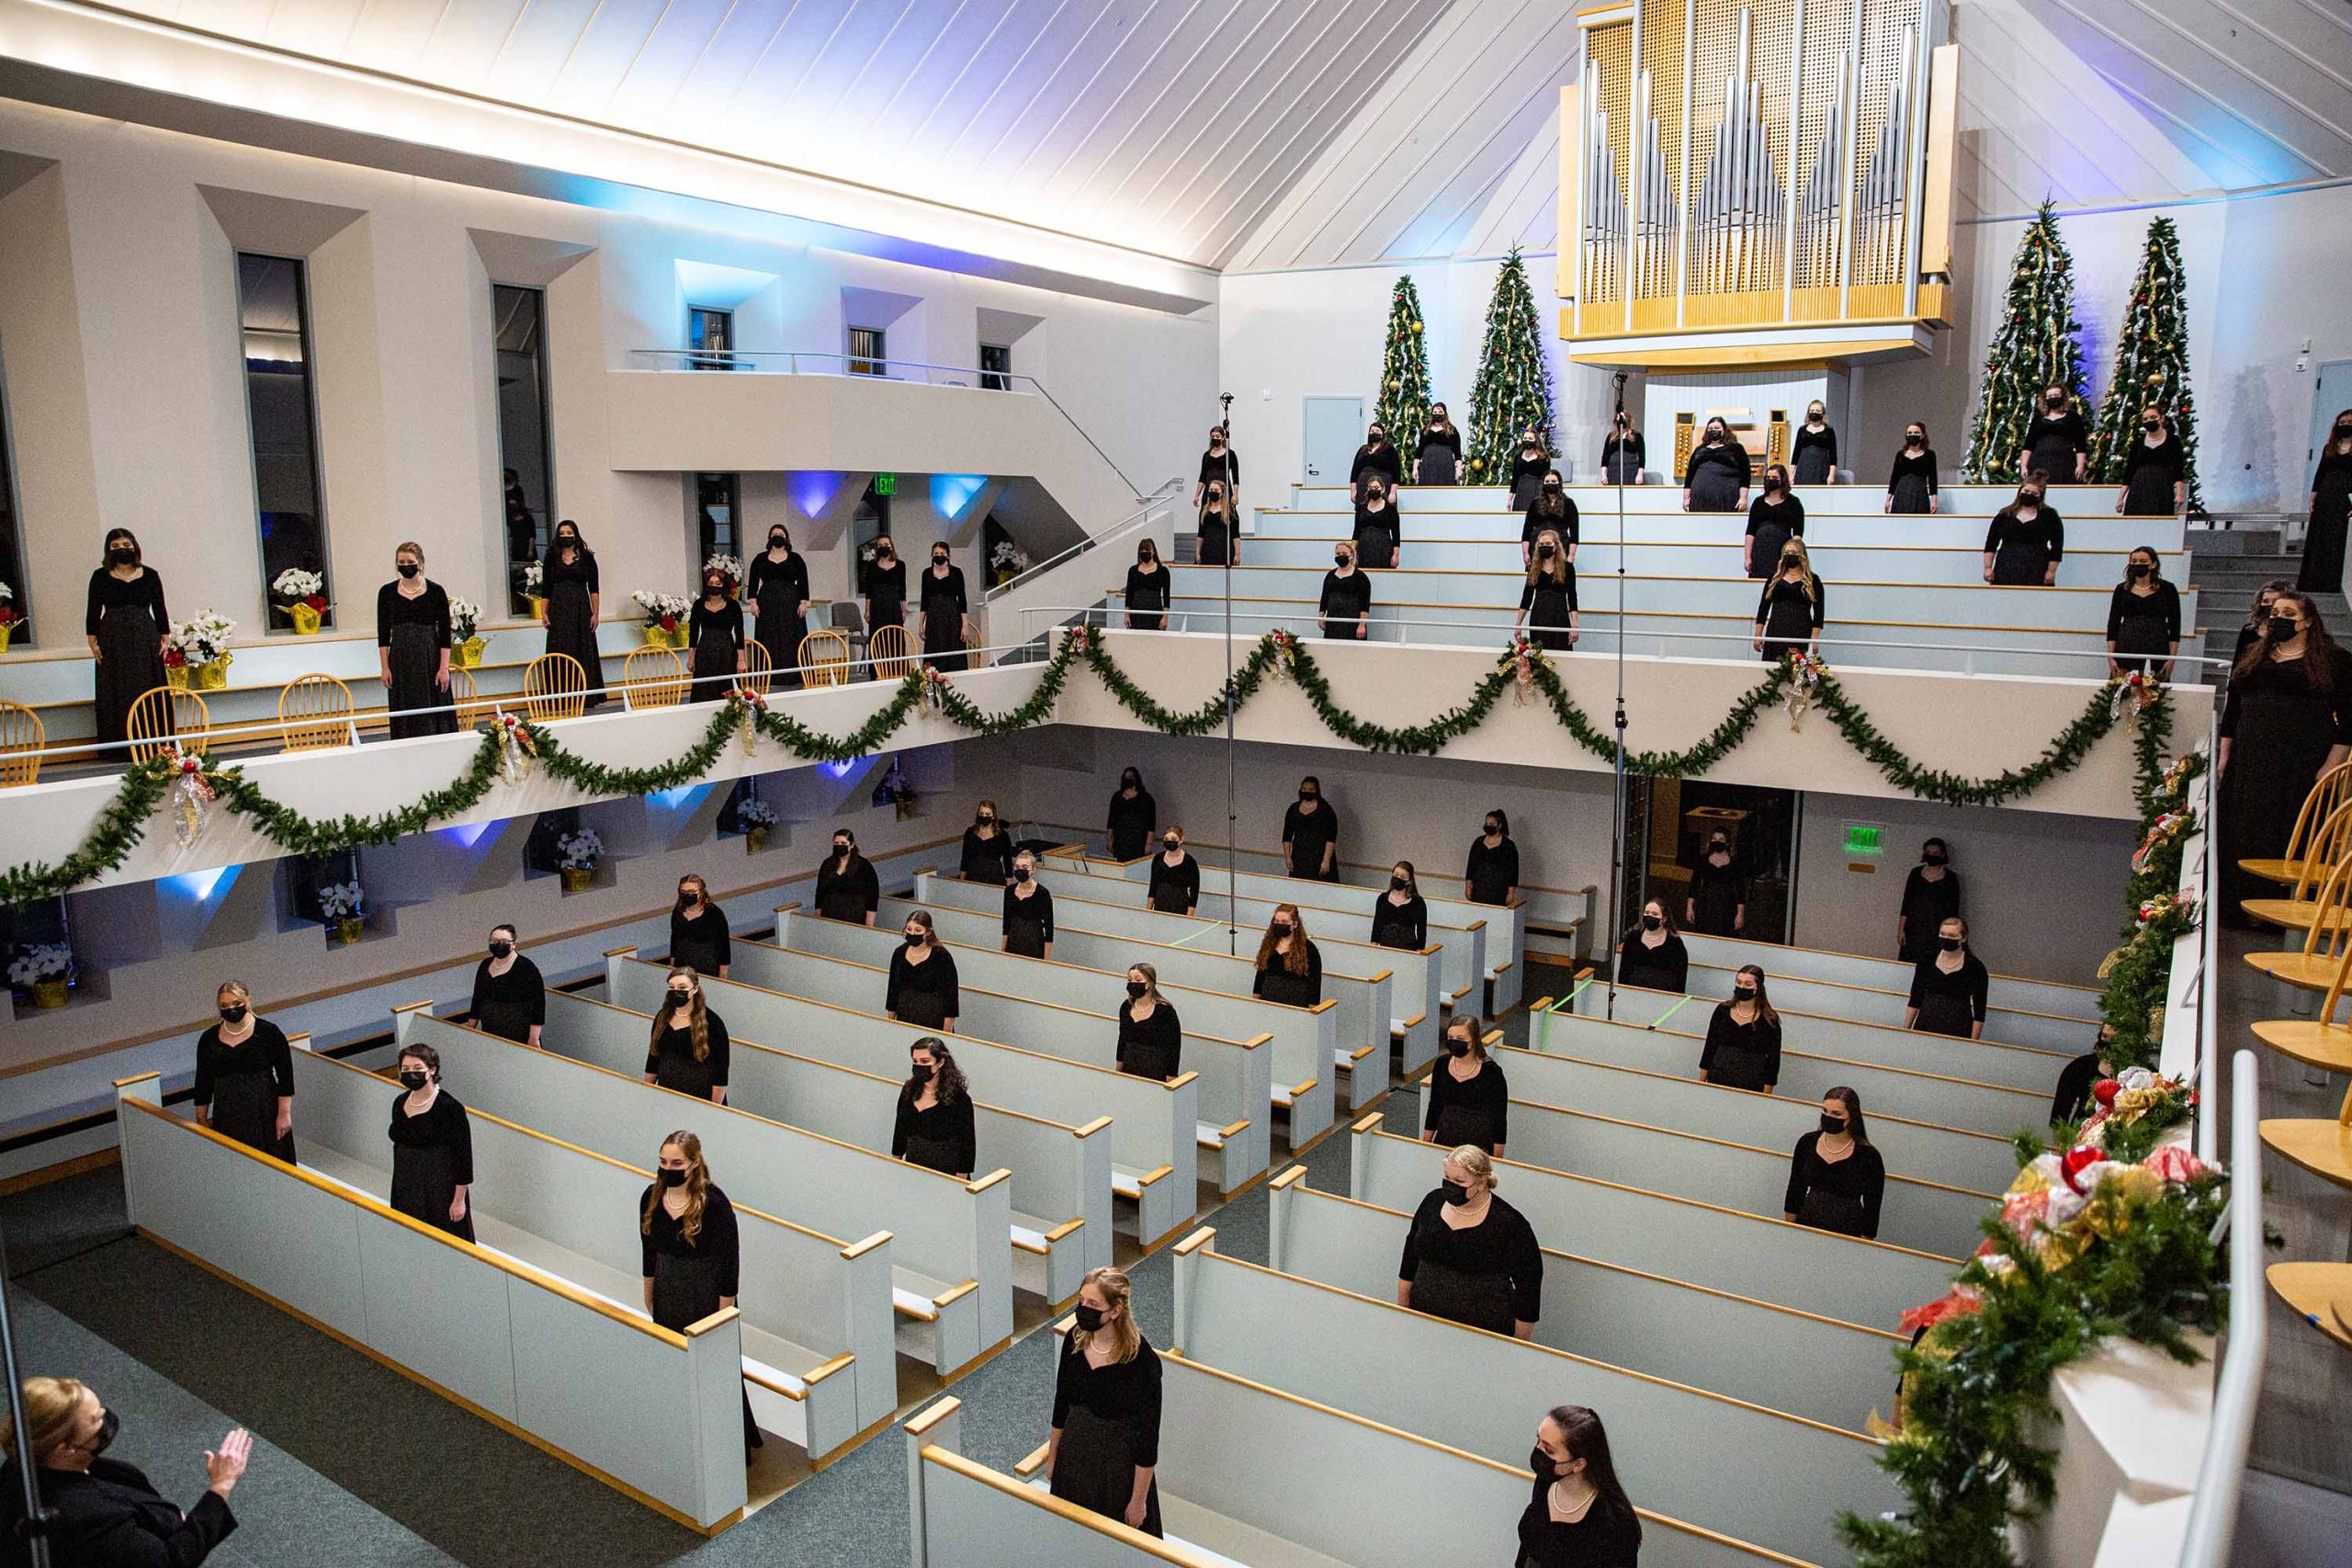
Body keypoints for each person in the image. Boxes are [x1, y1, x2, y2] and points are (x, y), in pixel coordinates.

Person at [0, 1376, 252, 1567]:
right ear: (66, 1449)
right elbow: (170, 1560)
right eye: (96, 1420)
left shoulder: (22, 1460)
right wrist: (222, 1485)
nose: (105, 1418)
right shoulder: (89, 1519)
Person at [2216, 589, 2352, 926]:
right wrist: (2224, 756)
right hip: (2250, 759)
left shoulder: (2335, 660)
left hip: (2301, 762)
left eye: (2289, 614)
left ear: (2307, 622)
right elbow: (2233, 710)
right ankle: (2238, 909)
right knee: (2245, 829)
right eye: (2275, 612)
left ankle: (2283, 915)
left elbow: (2349, 721)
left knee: (2290, 831)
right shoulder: (2253, 655)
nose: (2279, 619)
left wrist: (2331, 765)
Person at [639, 1132, 759, 1455]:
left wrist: (724, 1312)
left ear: (693, 1163)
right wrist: (649, 1291)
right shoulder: (651, 1196)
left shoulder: (715, 1203)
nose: (668, 1168)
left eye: (676, 1163)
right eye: (663, 1162)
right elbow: (649, 1250)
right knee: (675, 1362)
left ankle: (728, 1442)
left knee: (715, 1370)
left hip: (705, 1292)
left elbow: (730, 1261)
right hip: (669, 1288)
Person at [1046, 1267, 1162, 1536]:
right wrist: (1053, 1457)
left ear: (1115, 1311)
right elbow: (1061, 1403)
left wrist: (1138, 1499)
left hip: (1116, 1467)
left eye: (1093, 1304)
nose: (1083, 1309)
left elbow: (1148, 1437)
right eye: (1081, 1301)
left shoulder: (1142, 1361)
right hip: (1075, 1457)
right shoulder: (1074, 1340)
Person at [1396, 1145, 1542, 1337]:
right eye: (1446, 1178)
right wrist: (1402, 1308)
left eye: (1459, 1181)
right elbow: (1410, 1257)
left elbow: (1528, 1287)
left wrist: (1520, 1345)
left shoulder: (1510, 1224)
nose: (1450, 1185)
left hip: (1483, 1330)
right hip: (1425, 1319)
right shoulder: (1432, 1202)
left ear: (1481, 1183)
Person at [1519, 1405, 1643, 1568]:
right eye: (1538, 1441)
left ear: (1578, 1464)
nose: (1538, 1452)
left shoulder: (1616, 1523)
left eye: (1549, 1450)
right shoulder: (1546, 1481)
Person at [84, 527, 169, 752]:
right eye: (115, 546)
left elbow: (160, 607)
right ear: (108, 550)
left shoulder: (150, 575)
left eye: (126, 545)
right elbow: (93, 610)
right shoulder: (100, 576)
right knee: (116, 686)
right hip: (112, 637)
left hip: (145, 636)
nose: (122, 549)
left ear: (134, 546)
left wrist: (165, 636)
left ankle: (155, 745)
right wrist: (92, 641)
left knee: (147, 684)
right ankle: (118, 747)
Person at [191, 983, 294, 1162]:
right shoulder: (208, 1039)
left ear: (248, 1000)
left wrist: (284, 1114)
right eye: (224, 1006)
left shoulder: (268, 1032)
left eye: (236, 1003)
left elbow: (285, 1076)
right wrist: (201, 1118)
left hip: (265, 1111)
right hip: (227, 1112)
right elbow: (203, 1081)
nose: (231, 1009)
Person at [388, 1043, 474, 1241]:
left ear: (432, 1069)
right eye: (405, 1070)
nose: (411, 1074)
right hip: (406, 1184)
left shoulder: (451, 1108)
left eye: (417, 1069)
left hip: (439, 1188)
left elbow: (464, 1159)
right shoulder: (400, 1102)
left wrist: (459, 1201)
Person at [1782, 1087, 1884, 1238]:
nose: (1828, 1117)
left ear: (1852, 1117)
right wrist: (1789, 1231)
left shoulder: (1869, 1156)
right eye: (1825, 1111)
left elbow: (1872, 1208)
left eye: (1836, 1114)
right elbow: (1795, 1189)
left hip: (1848, 1231)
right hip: (1807, 1223)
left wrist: (1865, 1244)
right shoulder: (1807, 1142)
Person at [377, 541, 454, 739]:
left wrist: (444, 668)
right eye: (401, 562)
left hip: (430, 657)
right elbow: (383, 634)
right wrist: (385, 667)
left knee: (433, 711)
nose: (405, 565)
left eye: (410, 561)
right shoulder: (386, 592)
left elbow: (445, 634)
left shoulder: (436, 591)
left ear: (421, 563)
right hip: (400, 658)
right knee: (404, 711)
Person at [541, 520, 605, 709]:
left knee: (582, 648)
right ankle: (559, 698)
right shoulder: (551, 557)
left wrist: (596, 614)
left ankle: (587, 697)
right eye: (562, 532)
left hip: (581, 609)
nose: (566, 535)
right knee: (560, 650)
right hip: (558, 610)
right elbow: (545, 588)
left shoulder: (587, 557)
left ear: (575, 534)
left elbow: (594, 588)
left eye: (569, 532)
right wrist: (543, 612)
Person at [1422, 1014, 1508, 1155]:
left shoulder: (1491, 1072)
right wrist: (1425, 1144)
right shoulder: (1442, 1064)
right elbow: (1435, 1106)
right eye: (1451, 1038)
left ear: (1473, 1040)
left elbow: (1499, 1117)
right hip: (1445, 1138)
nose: (1454, 1043)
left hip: (1478, 1145)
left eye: (1460, 1039)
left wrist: (1498, 1158)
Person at [644, 967, 730, 1103]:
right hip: (668, 1093)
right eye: (672, 987)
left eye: (682, 987)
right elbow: (653, 1058)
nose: (676, 992)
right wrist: (645, 1093)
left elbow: (720, 1072)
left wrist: (715, 1110)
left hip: (700, 1096)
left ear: (695, 989)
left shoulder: (713, 1023)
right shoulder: (662, 1016)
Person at [892, 1037, 976, 1178]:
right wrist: (895, 1167)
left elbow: (967, 1147)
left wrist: (958, 1185)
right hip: (913, 1170)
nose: (918, 1066)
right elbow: (900, 1131)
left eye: (925, 1062)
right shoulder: (909, 1090)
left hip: (945, 1173)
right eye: (915, 1061)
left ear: (940, 1062)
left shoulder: (959, 1099)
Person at [743, 524, 810, 689]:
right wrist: (753, 602)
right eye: (775, 534)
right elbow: (752, 582)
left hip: (791, 603)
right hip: (767, 604)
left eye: (781, 534)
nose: (778, 536)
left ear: (786, 538)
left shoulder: (796, 558)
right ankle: (768, 677)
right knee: (768, 637)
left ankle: (794, 676)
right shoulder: (760, 558)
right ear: (770, 538)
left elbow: (803, 581)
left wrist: (803, 602)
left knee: (791, 637)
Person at [1698, 964, 1781, 1092]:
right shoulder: (1722, 1011)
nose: (1742, 987)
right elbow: (1710, 1047)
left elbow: (1772, 1064)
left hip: (1751, 1086)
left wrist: (1766, 1097)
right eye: (1739, 982)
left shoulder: (1770, 1021)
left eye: (1748, 984)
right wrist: (1701, 1084)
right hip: (1718, 1080)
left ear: (1758, 988)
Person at [1905, 917, 1988, 1039]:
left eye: (1952, 936)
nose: (1946, 939)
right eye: (1943, 934)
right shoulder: (1927, 960)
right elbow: (1915, 999)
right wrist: (1905, 1030)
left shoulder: (1976, 967)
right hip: (1926, 1023)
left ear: (1963, 938)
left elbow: (1979, 1011)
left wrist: (1973, 1043)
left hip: (1959, 1026)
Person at [2108, 546, 2182, 678]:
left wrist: (2171, 659)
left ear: (2153, 564)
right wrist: (2111, 657)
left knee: (2155, 690)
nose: (2137, 565)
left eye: (2143, 561)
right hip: (2127, 644)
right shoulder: (2121, 589)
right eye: (2134, 561)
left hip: (2158, 644)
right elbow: (2113, 625)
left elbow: (2175, 627)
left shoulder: (2168, 589)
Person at [2301, 409, 2352, 594]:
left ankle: (2334, 583)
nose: (2346, 425)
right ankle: (2314, 582)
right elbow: (2321, 472)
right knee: (2320, 538)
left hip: (2346, 496)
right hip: (2326, 496)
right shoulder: (2328, 447)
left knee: (2337, 538)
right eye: (2343, 422)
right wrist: (2314, 494)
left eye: (2350, 422)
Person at [469, 923, 545, 1045]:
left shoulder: (526, 967)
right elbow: (477, 998)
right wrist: (470, 1028)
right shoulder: (485, 964)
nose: (498, 944)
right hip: (490, 1031)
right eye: (494, 941)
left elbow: (538, 1005)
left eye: (503, 941)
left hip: (518, 1032)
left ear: (514, 944)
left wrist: (534, 1038)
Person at [1982, 475, 2064, 586]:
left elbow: (2057, 546)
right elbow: (1991, 543)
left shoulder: (2050, 515)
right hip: (2006, 567)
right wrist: (1988, 568)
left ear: (2040, 496)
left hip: (2037, 568)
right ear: (2020, 490)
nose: (2028, 495)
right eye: (2026, 491)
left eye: (2034, 494)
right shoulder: (2004, 514)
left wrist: (2051, 571)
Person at [1753, 536, 1825, 663]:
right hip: (1776, 629)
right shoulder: (1774, 579)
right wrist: (1758, 636)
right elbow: (1763, 609)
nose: (1789, 555)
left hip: (1800, 631)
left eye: (1793, 553)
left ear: (1802, 556)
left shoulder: (1813, 580)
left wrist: (1814, 640)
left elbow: (1819, 613)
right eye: (1786, 553)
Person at [888, 911, 960, 1032]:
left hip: (933, 1024)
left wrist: (946, 1033)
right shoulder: (899, 953)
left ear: (928, 932)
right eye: (909, 929)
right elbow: (892, 991)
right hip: (905, 1020)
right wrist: (890, 1024)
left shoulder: (942, 956)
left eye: (917, 930)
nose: (912, 933)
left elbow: (951, 999)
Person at [1895, 839, 1962, 964]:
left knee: (1933, 964)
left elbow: (1953, 910)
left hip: (1937, 929)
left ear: (1942, 854)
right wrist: (1900, 930)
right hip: (1914, 928)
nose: (1931, 856)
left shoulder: (1951, 878)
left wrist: (1951, 936)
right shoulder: (1915, 874)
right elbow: (1906, 903)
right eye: (1928, 852)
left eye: (1935, 853)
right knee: (1908, 963)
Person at [687, 567, 747, 697]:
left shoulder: (733, 605)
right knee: (703, 691)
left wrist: (741, 659)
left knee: (727, 689)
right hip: (704, 652)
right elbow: (693, 633)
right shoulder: (698, 605)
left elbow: (739, 633)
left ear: (724, 585)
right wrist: (691, 658)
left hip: (727, 653)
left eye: (718, 584)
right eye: (711, 584)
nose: (714, 587)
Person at [1517, 527, 1578, 652]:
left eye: (1548, 544)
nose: (1545, 547)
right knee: (1539, 656)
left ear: (1556, 546)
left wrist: (1575, 624)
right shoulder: (1534, 568)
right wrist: (1518, 623)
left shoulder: (1568, 568)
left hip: (1560, 616)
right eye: (1541, 545)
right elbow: (1527, 598)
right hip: (1539, 617)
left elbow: (1572, 597)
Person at [2116, 407, 2186, 517]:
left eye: (2153, 417)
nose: (2149, 421)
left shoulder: (2173, 441)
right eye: (2145, 419)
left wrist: (2179, 494)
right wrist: (2120, 498)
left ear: (2162, 418)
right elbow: (2129, 471)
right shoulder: (2138, 442)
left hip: (2163, 488)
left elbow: (2178, 469)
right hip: (2138, 489)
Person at [1117, 964, 1182, 1081]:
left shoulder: (1165, 1011)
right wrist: (1118, 1070)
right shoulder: (1126, 1007)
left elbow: (1173, 1048)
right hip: (1130, 1068)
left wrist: (1171, 1078)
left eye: (1138, 980)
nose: (1132, 983)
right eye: (1129, 980)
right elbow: (1122, 1040)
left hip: (1155, 1071)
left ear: (1150, 983)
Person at [1251, 904, 1323, 1009]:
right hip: (1268, 1001)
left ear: (1295, 924)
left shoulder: (1309, 948)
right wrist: (1255, 999)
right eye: (1277, 922)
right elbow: (1261, 973)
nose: (1280, 925)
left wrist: (1313, 1009)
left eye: (1284, 922)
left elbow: (1315, 982)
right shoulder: (1269, 943)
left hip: (1296, 1003)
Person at [2018, 385, 2089, 483]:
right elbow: (2028, 445)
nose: (2053, 398)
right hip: (2039, 462)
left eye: (2056, 395)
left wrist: (2080, 466)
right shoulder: (2038, 419)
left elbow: (2080, 444)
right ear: (2045, 399)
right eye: (2050, 396)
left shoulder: (2073, 417)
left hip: (2065, 463)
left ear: (2063, 397)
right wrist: (2023, 466)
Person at [1744, 465, 1804, 579]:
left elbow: (1798, 534)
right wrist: (1748, 557)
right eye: (1768, 477)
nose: (1770, 480)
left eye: (1775, 478)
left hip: (1781, 550)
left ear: (1783, 480)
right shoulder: (1758, 502)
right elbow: (1750, 532)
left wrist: (1790, 556)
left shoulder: (1794, 502)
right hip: (1760, 550)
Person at [1615, 899, 1689, 993]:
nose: (1650, 917)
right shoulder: (1633, 938)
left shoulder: (1675, 943)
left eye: (1655, 914)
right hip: (1634, 993)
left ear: (1664, 919)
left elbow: (1680, 978)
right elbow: (1624, 970)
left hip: (1662, 996)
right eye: (1647, 913)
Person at [919, 544, 971, 671]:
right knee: (935, 649)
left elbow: (963, 600)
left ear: (948, 555)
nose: (939, 556)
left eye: (942, 553)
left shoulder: (957, 572)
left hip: (952, 617)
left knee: (954, 650)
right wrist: (921, 624)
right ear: (932, 556)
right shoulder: (926, 573)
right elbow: (924, 601)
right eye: (936, 553)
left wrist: (964, 625)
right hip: (934, 618)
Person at [1681, 417, 1749, 512]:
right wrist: (1686, 499)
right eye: (1711, 429)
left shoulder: (1736, 448)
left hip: (1727, 497)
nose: (1714, 431)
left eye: (1717, 428)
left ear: (1724, 430)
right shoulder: (1699, 450)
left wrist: (1743, 498)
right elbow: (1689, 477)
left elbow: (1745, 475)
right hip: (1699, 499)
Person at [670, 874, 731, 979]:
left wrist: (723, 977)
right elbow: (674, 942)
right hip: (682, 970)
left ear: (702, 892)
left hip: (707, 970)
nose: (687, 895)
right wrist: (671, 967)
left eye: (692, 892)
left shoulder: (715, 914)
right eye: (683, 892)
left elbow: (724, 948)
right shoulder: (677, 912)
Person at [2051, 1027, 2116, 1125]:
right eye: (2104, 1035)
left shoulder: (2136, 1073)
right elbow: (2060, 1112)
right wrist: (2063, 1139)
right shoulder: (2082, 1065)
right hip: (2082, 1131)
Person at [816, 829, 881, 924]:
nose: (839, 846)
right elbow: (820, 892)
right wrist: (818, 916)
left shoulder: (864, 865)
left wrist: (869, 921)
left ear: (851, 845)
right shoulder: (827, 864)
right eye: (836, 843)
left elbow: (873, 894)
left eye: (843, 843)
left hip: (854, 916)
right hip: (829, 914)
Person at [1685, 831, 1746, 935]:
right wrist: (1689, 907)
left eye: (1721, 839)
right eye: (1714, 838)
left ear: (1727, 843)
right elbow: (1694, 885)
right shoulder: (1703, 860)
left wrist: (1740, 914)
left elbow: (1741, 890)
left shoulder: (1735, 863)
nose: (1717, 841)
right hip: (1706, 903)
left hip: (1727, 905)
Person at [1282, 776, 1340, 880]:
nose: (1307, 792)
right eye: (1304, 789)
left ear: (1316, 790)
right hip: (1299, 856)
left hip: (1319, 857)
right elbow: (1287, 835)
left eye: (1311, 790)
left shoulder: (1326, 810)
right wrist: (1287, 857)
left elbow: (1331, 838)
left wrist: (1326, 860)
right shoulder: (1293, 809)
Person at [1002, 850, 1055, 960]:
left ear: (1033, 870)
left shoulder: (1042, 893)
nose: (1020, 870)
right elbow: (1006, 924)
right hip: (1013, 943)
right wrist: (1002, 951)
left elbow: (1049, 929)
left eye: (1025, 867)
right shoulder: (1009, 891)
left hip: (1034, 945)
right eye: (1017, 867)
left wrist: (1047, 959)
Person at [1521, 473, 1579, 567]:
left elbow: (1574, 533)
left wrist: (1571, 556)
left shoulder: (1569, 503)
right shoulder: (1535, 503)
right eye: (1547, 481)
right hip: (1537, 548)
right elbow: (1527, 530)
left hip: (1561, 547)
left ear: (1559, 483)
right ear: (1543, 484)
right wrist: (1525, 553)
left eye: (1553, 481)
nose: (1550, 483)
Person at [1465, 810, 1520, 908]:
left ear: (1499, 825)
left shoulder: (1508, 846)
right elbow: (1471, 867)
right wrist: (1468, 887)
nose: (1488, 826)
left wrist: (1510, 893)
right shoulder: (1478, 842)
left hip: (1498, 891)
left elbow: (1513, 872)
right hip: (1479, 889)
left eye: (1491, 824)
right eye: (1486, 823)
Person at [863, 536, 908, 653]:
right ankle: (878, 670)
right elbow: (869, 590)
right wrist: (867, 610)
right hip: (877, 604)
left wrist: (904, 609)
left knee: (895, 637)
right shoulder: (872, 565)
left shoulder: (900, 565)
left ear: (891, 546)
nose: (884, 547)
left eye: (886, 544)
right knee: (878, 638)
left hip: (893, 603)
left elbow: (902, 589)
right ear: (877, 548)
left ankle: (897, 669)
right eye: (880, 545)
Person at [1320, 540, 1373, 638]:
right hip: (1333, 620)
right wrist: (1321, 617)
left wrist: (1361, 625)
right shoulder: (1330, 575)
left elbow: (1365, 603)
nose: (1340, 556)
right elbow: (1324, 598)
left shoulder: (1360, 576)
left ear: (1352, 555)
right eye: (1338, 554)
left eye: (1344, 554)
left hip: (1352, 621)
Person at [1372, 862, 1428, 950]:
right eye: (1396, 875)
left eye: (1403, 877)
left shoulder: (1418, 902)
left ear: (1409, 880)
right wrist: (1373, 945)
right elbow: (1377, 925)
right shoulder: (1382, 898)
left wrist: (1420, 952)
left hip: (1408, 949)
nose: (1398, 878)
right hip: (1385, 948)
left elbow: (1421, 931)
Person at [2233, 580, 2292, 663]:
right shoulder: (2248, 630)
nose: (2270, 605)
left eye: (2275, 601)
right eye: (2265, 601)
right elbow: (2238, 661)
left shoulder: (2292, 632)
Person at [1884, 424, 1939, 514]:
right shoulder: (1900, 454)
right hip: (1901, 493)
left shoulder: (1930, 455)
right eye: (1909, 433)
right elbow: (1894, 478)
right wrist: (1888, 500)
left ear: (1923, 435)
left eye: (1916, 432)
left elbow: (1933, 479)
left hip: (1920, 492)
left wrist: (1934, 501)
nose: (1912, 435)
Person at [960, 800, 1016, 885]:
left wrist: (1009, 881)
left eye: (987, 814)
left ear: (993, 816)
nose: (984, 816)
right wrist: (962, 879)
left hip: (994, 876)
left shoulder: (1002, 835)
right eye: (981, 813)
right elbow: (965, 857)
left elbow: (1007, 860)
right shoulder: (970, 832)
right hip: (973, 875)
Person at [1105, 767, 1157, 860]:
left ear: (1136, 779)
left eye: (1131, 776)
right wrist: (1109, 840)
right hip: (1121, 840)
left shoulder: (1146, 798)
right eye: (1126, 776)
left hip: (1138, 840)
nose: (1128, 778)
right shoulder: (1117, 797)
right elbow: (1111, 821)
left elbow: (1151, 824)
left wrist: (1148, 844)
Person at [1148, 827, 1200, 915]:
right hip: (1160, 904)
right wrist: (1148, 912)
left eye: (1173, 839)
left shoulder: (1190, 861)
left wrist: (1189, 917)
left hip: (1180, 905)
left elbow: (1194, 892)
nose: (1169, 841)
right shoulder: (1158, 858)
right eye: (1166, 839)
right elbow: (1153, 886)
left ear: (1181, 840)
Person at [1124, 539, 1170, 632]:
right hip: (1136, 613)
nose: (1144, 553)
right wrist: (1126, 615)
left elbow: (1166, 596)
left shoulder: (1163, 571)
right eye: (1142, 551)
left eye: (1147, 550)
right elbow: (1129, 594)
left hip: (1155, 613)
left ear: (1153, 552)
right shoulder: (1132, 570)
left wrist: (1165, 617)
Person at [1351, 479, 1399, 570]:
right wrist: (1353, 552)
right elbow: (1356, 532)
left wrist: (1395, 555)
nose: (1373, 490)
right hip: (1363, 548)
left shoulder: (1391, 509)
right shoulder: (1361, 508)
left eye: (1376, 487)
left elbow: (1396, 534)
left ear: (1383, 489)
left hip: (1383, 548)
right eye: (1371, 488)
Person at [1791, 400, 1839, 486]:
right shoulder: (1802, 430)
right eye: (1812, 411)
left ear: (1823, 414)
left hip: (1821, 469)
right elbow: (1796, 453)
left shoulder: (1829, 430)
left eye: (1818, 411)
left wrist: (1831, 475)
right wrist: (1791, 475)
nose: (1814, 413)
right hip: (1803, 469)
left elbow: (1833, 456)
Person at [1351, 423, 1402, 505]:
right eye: (1372, 431)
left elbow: (1396, 472)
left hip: (1384, 485)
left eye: (1377, 431)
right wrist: (1353, 491)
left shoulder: (1389, 449)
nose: (1374, 433)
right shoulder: (1362, 450)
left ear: (1382, 434)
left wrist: (1393, 493)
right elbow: (1354, 472)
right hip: (1363, 487)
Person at [1508, 430, 1554, 512]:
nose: (1527, 440)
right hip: (1520, 494)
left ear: (1535, 441)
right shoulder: (1518, 458)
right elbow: (1515, 480)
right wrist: (1510, 499)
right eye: (1525, 438)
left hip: (1537, 494)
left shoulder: (1543, 458)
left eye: (1530, 438)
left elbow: (1546, 480)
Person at [1194, 424, 1238, 510]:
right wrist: (1197, 495)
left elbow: (1235, 477)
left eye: (1217, 436)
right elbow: (1202, 477)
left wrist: (1235, 495)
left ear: (1223, 438)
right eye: (1213, 436)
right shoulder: (1206, 455)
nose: (1215, 438)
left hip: (1225, 490)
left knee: (1227, 516)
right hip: (1209, 490)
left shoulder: (1230, 454)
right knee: (1206, 516)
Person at [1417, 403, 1463, 486]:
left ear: (1444, 414)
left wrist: (1459, 469)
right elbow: (1419, 451)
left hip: (1446, 466)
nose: (1437, 414)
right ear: (1431, 414)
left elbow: (1457, 452)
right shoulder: (1425, 430)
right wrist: (1415, 468)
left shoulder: (1452, 430)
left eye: (1440, 412)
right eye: (1435, 412)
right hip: (1428, 466)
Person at [1197, 482, 1238, 567]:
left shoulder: (1230, 510)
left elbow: (1236, 534)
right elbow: (1200, 534)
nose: (1213, 492)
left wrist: (1237, 554)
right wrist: (1197, 552)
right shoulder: (1204, 510)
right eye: (1211, 490)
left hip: (1224, 548)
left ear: (1222, 493)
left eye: (1216, 490)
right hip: (1208, 548)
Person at [1600, 409, 1645, 485]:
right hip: (1614, 472)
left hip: (1631, 471)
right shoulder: (1611, 436)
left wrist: (1640, 474)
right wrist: (1603, 475)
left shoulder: (1636, 435)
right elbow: (1605, 457)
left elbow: (1642, 457)